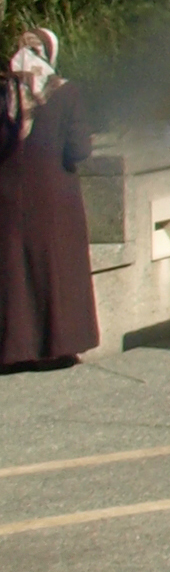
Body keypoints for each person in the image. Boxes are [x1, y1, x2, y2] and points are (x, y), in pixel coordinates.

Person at [0, 30, 98, 369]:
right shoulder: (65, 92)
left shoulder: (4, 91)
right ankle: (58, 347)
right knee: (56, 270)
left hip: (8, 197)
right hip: (56, 197)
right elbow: (79, 149)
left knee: (14, 270)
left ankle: (15, 349)